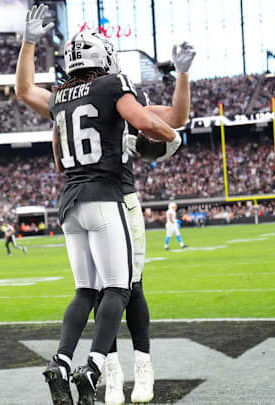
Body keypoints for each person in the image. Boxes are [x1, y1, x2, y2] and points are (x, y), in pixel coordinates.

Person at [16, 5, 179, 404]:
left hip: (69, 203)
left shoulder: (58, 99)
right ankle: (92, 366)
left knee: (84, 290)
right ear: (103, 59)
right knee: (120, 289)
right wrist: (171, 135)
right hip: (106, 198)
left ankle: (60, 360)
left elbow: (34, 112)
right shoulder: (109, 86)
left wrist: (29, 43)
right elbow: (142, 121)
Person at [97, 37, 193, 405]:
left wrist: (182, 74)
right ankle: (111, 368)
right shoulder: (71, 99)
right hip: (89, 203)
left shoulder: (122, 101)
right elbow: (26, 90)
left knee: (130, 286)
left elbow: (176, 118)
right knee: (97, 290)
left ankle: (141, 367)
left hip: (120, 200)